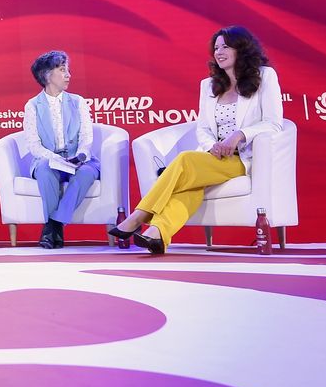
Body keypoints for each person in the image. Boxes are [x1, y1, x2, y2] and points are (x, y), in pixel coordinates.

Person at [110, 26, 283, 254]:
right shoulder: (209, 85)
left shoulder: (264, 77)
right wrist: (214, 146)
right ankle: (157, 234)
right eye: (216, 47)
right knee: (190, 188)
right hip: (214, 157)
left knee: (184, 160)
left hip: (243, 158)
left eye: (226, 46)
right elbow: (202, 128)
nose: (219, 52)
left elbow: (273, 123)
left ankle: (140, 215)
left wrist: (239, 135)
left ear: (242, 49)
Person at [22, 50, 100, 249]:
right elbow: (34, 145)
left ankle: (53, 225)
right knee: (45, 170)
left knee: (85, 173)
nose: (68, 75)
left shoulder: (77, 101)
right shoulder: (33, 106)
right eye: (62, 70)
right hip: (48, 159)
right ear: (47, 75)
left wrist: (81, 155)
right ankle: (54, 229)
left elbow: (86, 137)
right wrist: (55, 158)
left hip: (78, 158)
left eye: (68, 70)